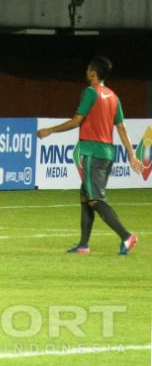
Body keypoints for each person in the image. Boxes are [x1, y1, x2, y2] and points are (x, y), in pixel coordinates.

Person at [37, 55, 143, 255]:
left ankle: (126, 236)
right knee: (86, 196)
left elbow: (77, 121)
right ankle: (83, 245)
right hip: (107, 153)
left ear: (94, 72)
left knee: (94, 199)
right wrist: (131, 155)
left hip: (92, 152)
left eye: (88, 69)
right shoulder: (113, 96)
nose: (86, 72)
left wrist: (50, 130)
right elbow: (121, 128)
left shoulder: (90, 92)